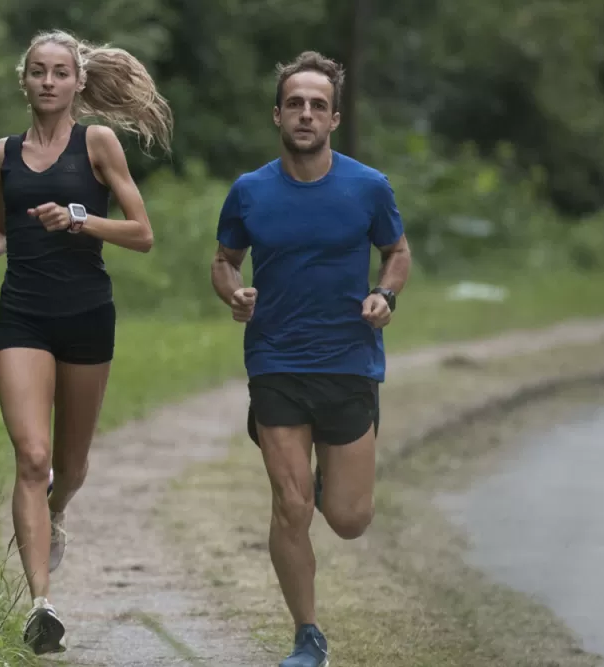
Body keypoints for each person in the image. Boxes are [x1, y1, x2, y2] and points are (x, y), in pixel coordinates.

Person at [0, 29, 172, 656]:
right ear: (23, 81)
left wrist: (79, 219)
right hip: (22, 314)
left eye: (59, 73)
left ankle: (55, 513)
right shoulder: (0, 154)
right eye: (37, 72)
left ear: (78, 83)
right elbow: (1, 226)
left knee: (70, 468)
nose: (48, 82)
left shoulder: (97, 143)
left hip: (85, 316)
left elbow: (141, 233)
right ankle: (41, 606)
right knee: (31, 455)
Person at [209, 51, 412, 667]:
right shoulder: (249, 192)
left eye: (317, 105)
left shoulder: (368, 186)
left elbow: (397, 252)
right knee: (290, 505)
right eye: (294, 103)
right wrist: (234, 292)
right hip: (276, 362)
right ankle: (307, 636)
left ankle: (329, 481)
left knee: (348, 518)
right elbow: (223, 260)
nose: (305, 113)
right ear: (277, 115)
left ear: (334, 119)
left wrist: (385, 294)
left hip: (350, 362)